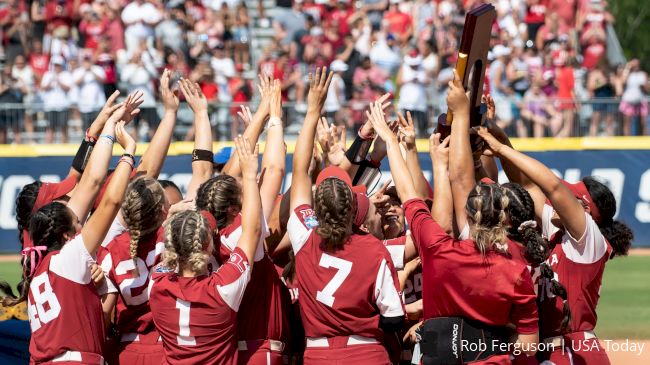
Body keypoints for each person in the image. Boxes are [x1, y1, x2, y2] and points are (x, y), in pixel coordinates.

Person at [373, 72, 539, 363]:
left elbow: (412, 192)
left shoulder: (440, 248)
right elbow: (527, 347)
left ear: (470, 216)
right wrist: (496, 338)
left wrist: (391, 141)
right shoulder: (518, 268)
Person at [477, 123, 634, 365]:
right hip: (552, 351)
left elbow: (551, 185)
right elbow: (528, 186)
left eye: (570, 197)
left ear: (584, 211)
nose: (555, 202)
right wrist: (500, 138)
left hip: (573, 352)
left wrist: (502, 150)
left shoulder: (588, 239)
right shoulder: (557, 231)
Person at [1, 101, 137, 364]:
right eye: (60, 199)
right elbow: (94, 184)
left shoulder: (38, 251)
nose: (68, 193)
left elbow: (79, 173)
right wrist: (124, 147)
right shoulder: (68, 253)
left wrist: (99, 124)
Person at [288, 68, 404, 364]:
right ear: (355, 209)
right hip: (367, 353)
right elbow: (393, 320)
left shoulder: (304, 233)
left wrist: (313, 109)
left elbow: (299, 171)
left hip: (317, 355)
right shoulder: (375, 248)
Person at [196, 75, 289, 365]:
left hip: (223, 347)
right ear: (236, 208)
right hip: (257, 345)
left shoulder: (199, 233)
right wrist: (274, 118)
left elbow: (228, 176)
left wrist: (262, 113)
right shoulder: (242, 230)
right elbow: (273, 170)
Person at [149, 136, 263, 365]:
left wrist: (170, 217)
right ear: (206, 244)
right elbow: (252, 231)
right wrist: (250, 176)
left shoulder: (157, 283)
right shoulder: (223, 286)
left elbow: (164, 252)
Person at [40, 56, 72, 143]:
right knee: (50, 128)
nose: (56, 67)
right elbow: (43, 87)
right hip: (50, 106)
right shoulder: (47, 75)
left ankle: (64, 148)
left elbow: (68, 88)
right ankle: (49, 148)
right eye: (55, 65)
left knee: (63, 128)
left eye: (58, 65)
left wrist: (58, 80)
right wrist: (51, 81)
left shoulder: (66, 75)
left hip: (63, 106)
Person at [619, 59, 648, 136]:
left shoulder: (643, 74)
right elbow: (622, 81)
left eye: (637, 64)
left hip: (641, 100)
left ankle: (646, 140)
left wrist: (644, 86)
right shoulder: (628, 74)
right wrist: (628, 66)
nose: (636, 66)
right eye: (634, 65)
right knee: (627, 122)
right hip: (628, 100)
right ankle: (626, 141)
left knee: (644, 122)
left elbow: (647, 88)